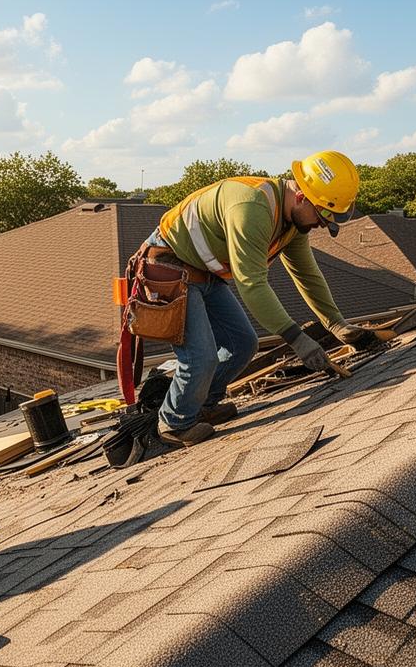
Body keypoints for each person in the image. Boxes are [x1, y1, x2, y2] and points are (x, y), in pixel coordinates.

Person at [143, 150, 368, 447]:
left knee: (242, 343)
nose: (321, 225)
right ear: (301, 195)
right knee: (201, 356)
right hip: (169, 267)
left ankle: (203, 405)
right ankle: (174, 423)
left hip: (202, 273)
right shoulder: (251, 208)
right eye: (322, 216)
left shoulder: (293, 222)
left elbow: (306, 273)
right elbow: (252, 284)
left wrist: (336, 324)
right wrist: (298, 340)